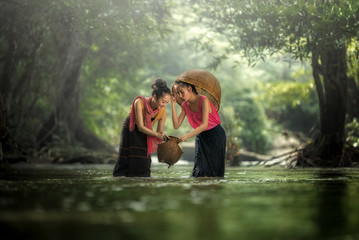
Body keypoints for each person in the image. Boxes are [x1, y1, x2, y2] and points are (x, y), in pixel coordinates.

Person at [113, 79, 171, 177]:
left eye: (166, 103)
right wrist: (158, 134)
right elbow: (140, 126)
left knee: (144, 160)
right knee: (125, 158)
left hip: (147, 132)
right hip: (131, 129)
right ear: (155, 97)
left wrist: (162, 136)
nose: (164, 105)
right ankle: (122, 178)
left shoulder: (163, 112)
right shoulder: (139, 102)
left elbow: (158, 133)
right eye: (163, 102)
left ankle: (141, 179)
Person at [171, 80, 226, 177]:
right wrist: (172, 104)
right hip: (201, 135)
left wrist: (187, 136)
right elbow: (176, 125)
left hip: (215, 135)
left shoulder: (203, 100)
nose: (180, 95)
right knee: (198, 169)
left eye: (182, 91)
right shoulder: (185, 105)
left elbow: (204, 125)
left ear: (190, 88)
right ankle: (198, 190)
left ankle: (214, 189)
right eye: (178, 93)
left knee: (214, 170)